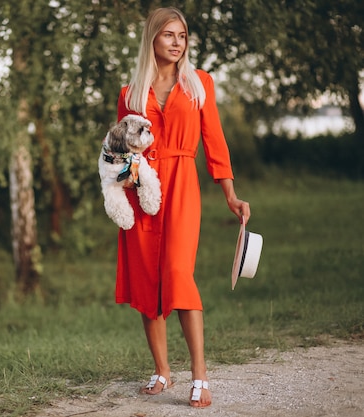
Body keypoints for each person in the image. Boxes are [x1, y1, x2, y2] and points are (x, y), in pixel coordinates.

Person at [114, 7, 251, 408]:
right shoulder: (130, 93)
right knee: (145, 277)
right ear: (152, 39)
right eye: (169, 35)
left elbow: (215, 142)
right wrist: (121, 186)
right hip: (141, 191)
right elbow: (121, 147)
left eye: (182, 36)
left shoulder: (198, 84)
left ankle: (200, 375)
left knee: (177, 273)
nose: (177, 43)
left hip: (181, 187)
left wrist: (230, 195)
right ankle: (161, 370)